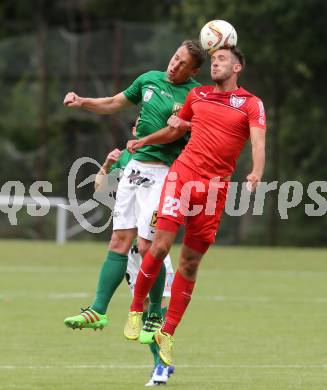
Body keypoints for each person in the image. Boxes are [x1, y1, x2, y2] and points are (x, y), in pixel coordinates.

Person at [63, 40, 205, 381]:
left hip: (163, 177)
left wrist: (181, 127)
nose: (174, 66)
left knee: (147, 248)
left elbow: (188, 134)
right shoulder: (149, 79)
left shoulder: (195, 97)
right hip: (134, 172)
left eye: (183, 63)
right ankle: (98, 310)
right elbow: (113, 102)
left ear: (193, 71)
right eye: (174, 58)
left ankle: (155, 314)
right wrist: (83, 102)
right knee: (119, 243)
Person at [123, 46, 267, 366]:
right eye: (213, 60)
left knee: (189, 265)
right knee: (158, 247)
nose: (215, 63)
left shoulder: (251, 104)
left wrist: (256, 171)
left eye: (222, 60)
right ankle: (136, 310)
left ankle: (167, 334)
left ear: (237, 68)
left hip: (214, 190)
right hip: (182, 177)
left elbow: (258, 141)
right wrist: (150, 137)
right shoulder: (197, 95)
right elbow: (177, 127)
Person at [95, 148, 175, 386]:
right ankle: (159, 362)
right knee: (143, 312)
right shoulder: (126, 158)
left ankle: (161, 365)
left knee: (157, 310)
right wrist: (106, 165)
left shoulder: (165, 157)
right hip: (130, 255)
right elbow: (100, 190)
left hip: (152, 248)